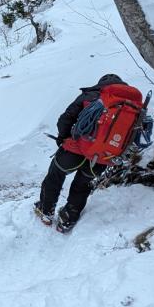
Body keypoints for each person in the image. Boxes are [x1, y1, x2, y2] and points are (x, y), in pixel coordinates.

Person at [35, 74, 134, 233]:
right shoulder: (132, 107)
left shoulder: (91, 95)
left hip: (75, 150)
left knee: (55, 175)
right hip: (102, 158)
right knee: (82, 186)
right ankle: (67, 219)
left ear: (101, 84)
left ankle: (46, 211)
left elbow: (66, 118)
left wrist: (62, 138)